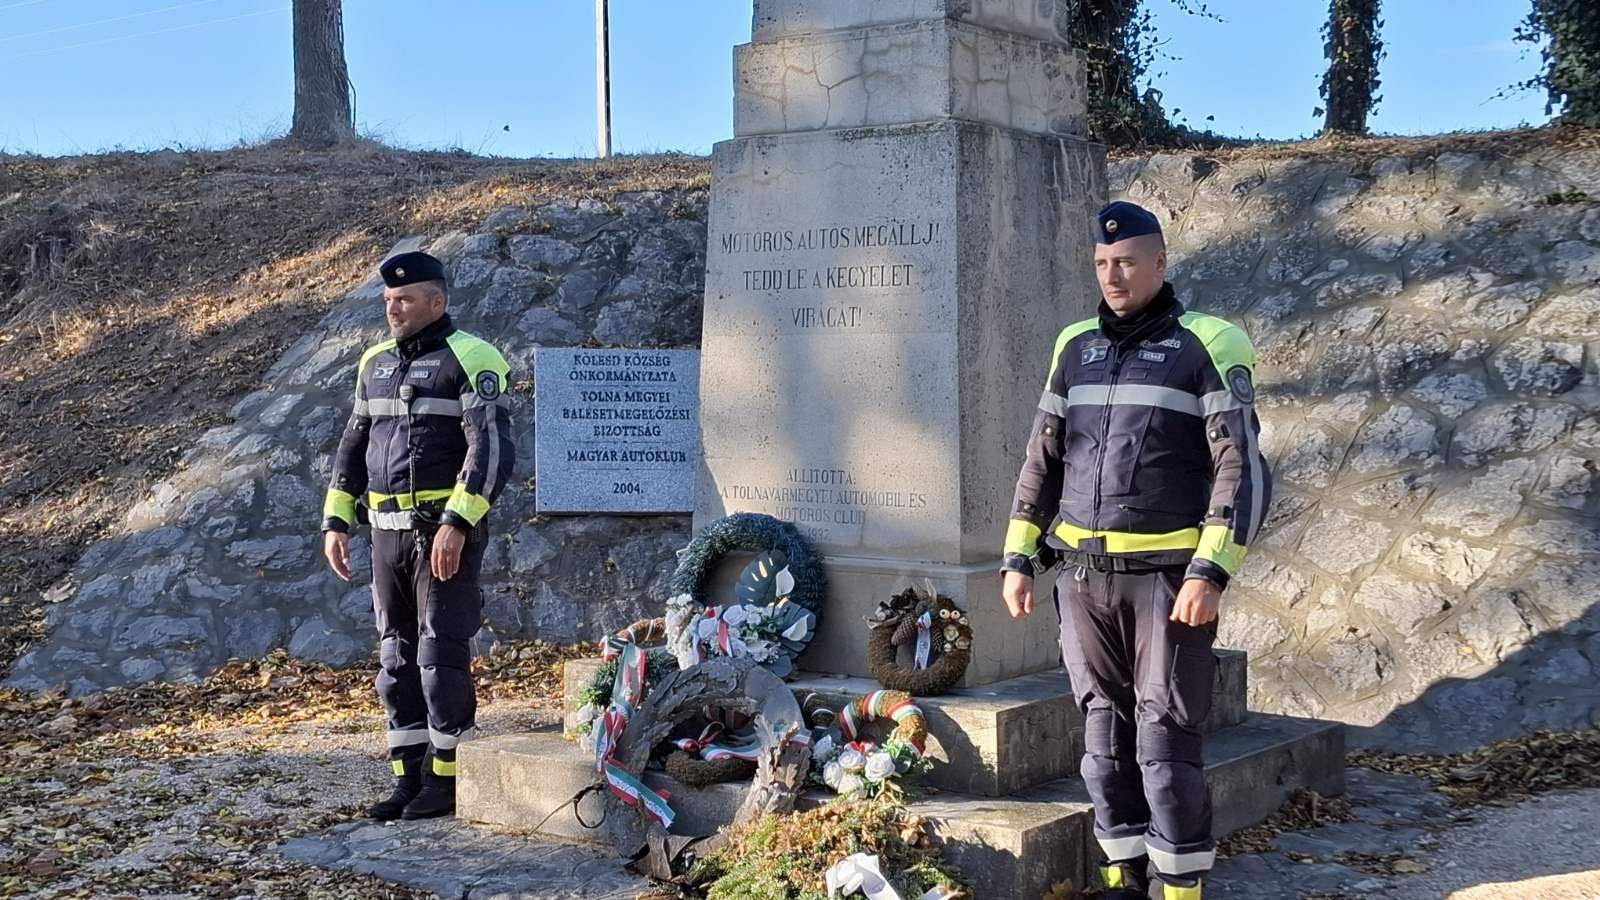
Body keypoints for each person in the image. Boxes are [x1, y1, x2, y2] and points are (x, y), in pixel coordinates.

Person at [1000, 201, 1271, 899]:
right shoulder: (1075, 346)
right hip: (1084, 581)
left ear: (1159, 262)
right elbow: (1043, 459)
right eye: (1100, 264)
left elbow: (1241, 469)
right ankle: (1125, 875)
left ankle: (1178, 889)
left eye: (1125, 262)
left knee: (1165, 748)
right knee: (1101, 749)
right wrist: (1019, 556)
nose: (1112, 275)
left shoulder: (1207, 343)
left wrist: (1212, 571)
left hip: (1167, 583)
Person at [320, 250, 516, 821]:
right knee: (395, 660)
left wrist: (458, 522)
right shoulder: (375, 362)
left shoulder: (472, 357)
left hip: (440, 534)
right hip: (385, 535)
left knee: (438, 655)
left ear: (437, 301)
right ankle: (407, 778)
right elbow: (353, 445)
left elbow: (492, 450)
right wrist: (336, 518)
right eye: (387, 301)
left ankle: (446, 780)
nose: (394, 310)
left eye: (404, 300)